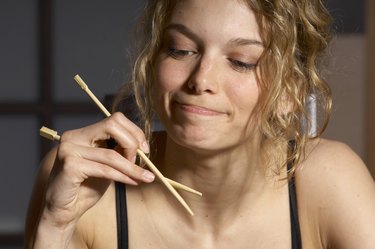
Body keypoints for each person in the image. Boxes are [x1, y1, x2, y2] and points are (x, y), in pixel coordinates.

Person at [25, 0, 375, 248]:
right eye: (180, 49)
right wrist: (54, 229)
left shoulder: (329, 182)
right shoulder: (85, 184)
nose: (200, 80)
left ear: (290, 92)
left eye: (241, 62)